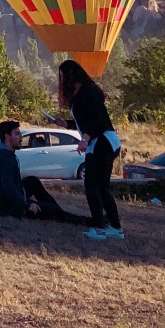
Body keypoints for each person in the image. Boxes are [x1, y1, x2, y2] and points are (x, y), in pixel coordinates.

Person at [59, 59, 123, 241]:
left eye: (63, 76)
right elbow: (86, 121)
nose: (61, 81)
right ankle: (114, 227)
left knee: (93, 187)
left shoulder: (88, 91)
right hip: (100, 142)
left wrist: (85, 139)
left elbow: (97, 119)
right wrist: (66, 124)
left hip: (101, 142)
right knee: (101, 188)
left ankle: (100, 227)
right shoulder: (84, 92)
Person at [0, 120, 89, 224]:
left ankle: (58, 211)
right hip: (4, 206)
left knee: (31, 181)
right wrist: (26, 205)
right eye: (17, 134)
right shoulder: (6, 159)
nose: (21, 138)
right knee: (50, 210)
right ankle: (85, 221)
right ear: (7, 137)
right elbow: (8, 186)